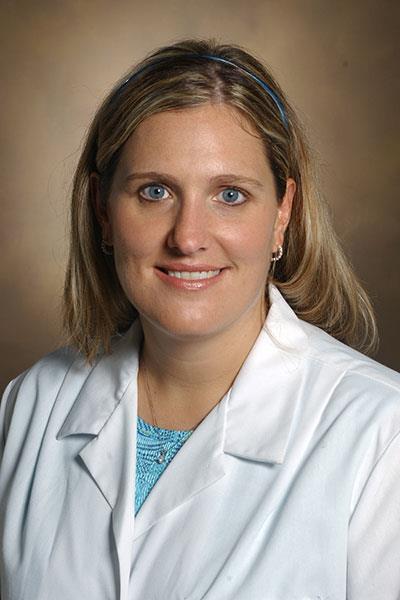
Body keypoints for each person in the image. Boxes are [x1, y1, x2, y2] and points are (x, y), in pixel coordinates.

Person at [0, 38, 399, 600]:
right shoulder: (30, 405)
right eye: (155, 191)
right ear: (102, 211)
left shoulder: (382, 435)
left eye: (229, 195)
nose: (187, 238)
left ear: (282, 213)